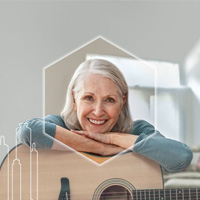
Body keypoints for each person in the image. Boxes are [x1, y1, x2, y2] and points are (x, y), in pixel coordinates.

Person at [17, 59, 193, 173]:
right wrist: (100, 148)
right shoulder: (61, 125)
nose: (98, 111)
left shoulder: (137, 130)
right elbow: (28, 132)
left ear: (122, 102)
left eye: (109, 100)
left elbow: (181, 157)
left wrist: (110, 138)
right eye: (88, 98)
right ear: (74, 99)